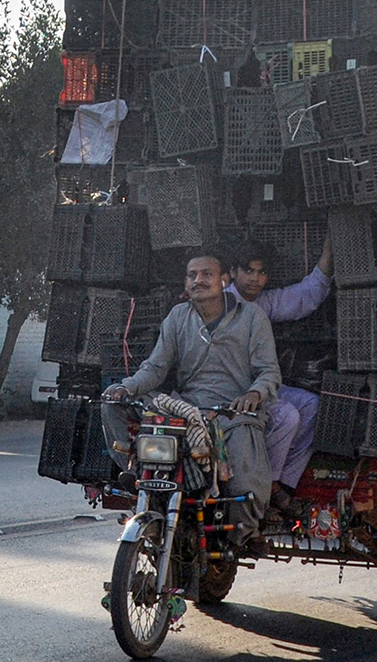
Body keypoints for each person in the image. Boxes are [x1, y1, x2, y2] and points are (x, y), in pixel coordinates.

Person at [102, 252, 280, 553]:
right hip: (187, 408)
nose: (199, 280)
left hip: (232, 413)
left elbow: (268, 371)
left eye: (207, 274)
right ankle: (133, 473)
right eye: (192, 275)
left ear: (224, 280)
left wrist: (253, 395)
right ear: (186, 282)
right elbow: (156, 367)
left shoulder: (252, 317)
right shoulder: (177, 317)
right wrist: (126, 387)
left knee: (247, 484)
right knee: (111, 404)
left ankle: (241, 536)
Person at [229, 233, 333, 513]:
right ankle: (269, 486)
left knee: (310, 405)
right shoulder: (221, 304)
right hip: (231, 391)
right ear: (232, 272)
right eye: (248, 271)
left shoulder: (263, 303)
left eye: (261, 273)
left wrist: (327, 254)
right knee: (287, 415)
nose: (255, 279)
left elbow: (305, 296)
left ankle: (283, 482)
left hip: (259, 388)